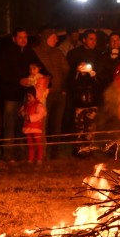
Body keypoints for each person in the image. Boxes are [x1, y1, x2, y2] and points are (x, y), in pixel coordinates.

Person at [0, 28, 40, 162]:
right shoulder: (7, 53)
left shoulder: (30, 53)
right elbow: (1, 74)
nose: (23, 40)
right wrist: (18, 80)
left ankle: (21, 153)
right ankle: (7, 153)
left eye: (25, 37)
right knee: (9, 124)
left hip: (26, 97)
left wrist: (47, 77)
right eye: (20, 37)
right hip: (11, 95)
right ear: (14, 38)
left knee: (23, 125)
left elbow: (40, 66)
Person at [32, 27, 69, 159]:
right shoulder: (36, 52)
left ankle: (55, 151)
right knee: (43, 124)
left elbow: (66, 70)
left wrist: (64, 87)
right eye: (53, 37)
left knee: (56, 123)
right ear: (46, 38)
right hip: (43, 95)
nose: (56, 39)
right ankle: (41, 152)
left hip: (59, 93)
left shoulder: (58, 53)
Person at [66, 30, 101, 156]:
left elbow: (101, 76)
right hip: (78, 96)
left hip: (93, 95)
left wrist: (94, 74)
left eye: (95, 39)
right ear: (84, 40)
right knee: (78, 125)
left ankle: (88, 149)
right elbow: (69, 76)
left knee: (91, 125)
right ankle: (77, 149)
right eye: (91, 39)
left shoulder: (98, 54)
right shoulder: (74, 54)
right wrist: (77, 70)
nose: (93, 42)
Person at [19, 86, 46, 165]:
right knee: (30, 144)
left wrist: (30, 117)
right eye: (27, 96)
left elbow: (40, 114)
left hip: (36, 127)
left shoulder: (38, 105)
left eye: (30, 96)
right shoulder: (26, 105)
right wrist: (22, 114)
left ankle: (39, 158)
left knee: (38, 144)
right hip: (28, 127)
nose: (28, 98)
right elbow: (21, 112)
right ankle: (30, 158)